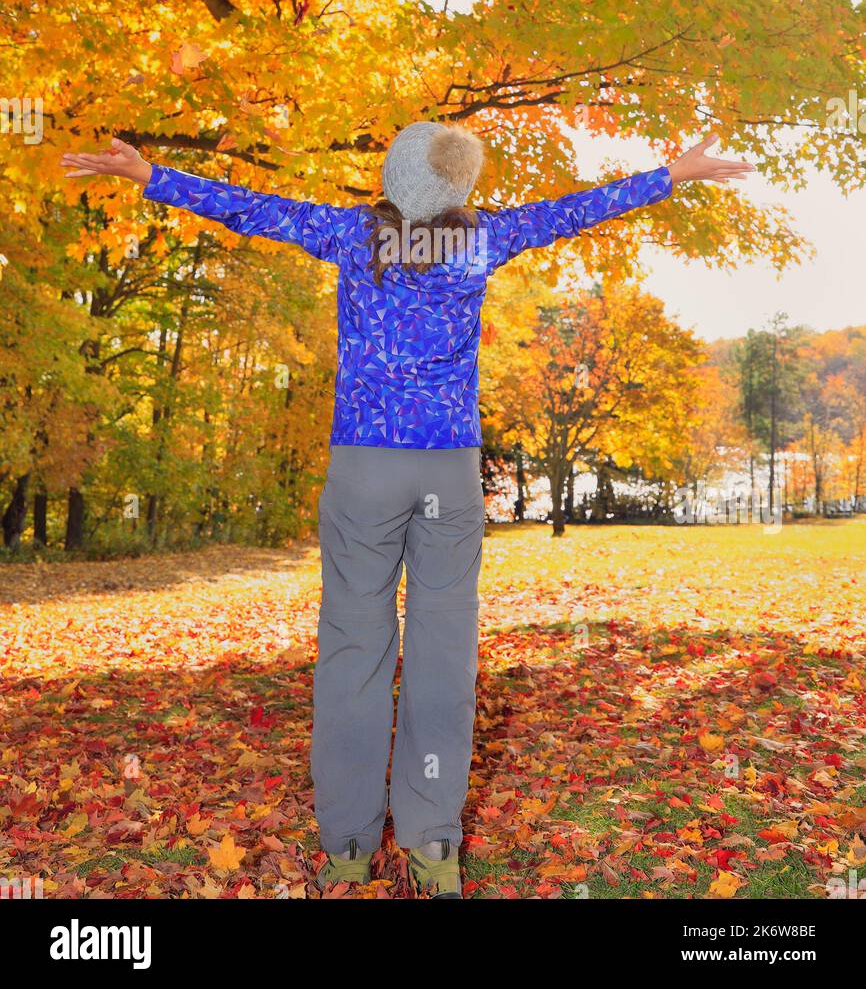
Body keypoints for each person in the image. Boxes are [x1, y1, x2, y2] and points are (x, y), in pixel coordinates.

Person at [62, 123, 753, 897]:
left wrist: (152, 174)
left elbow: (248, 207)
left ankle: (350, 846)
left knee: (354, 656)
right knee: (442, 658)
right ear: (458, 189)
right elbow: (576, 209)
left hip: (365, 468)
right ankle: (433, 845)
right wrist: (673, 173)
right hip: (449, 473)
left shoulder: (351, 234)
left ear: (393, 179)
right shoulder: (486, 238)